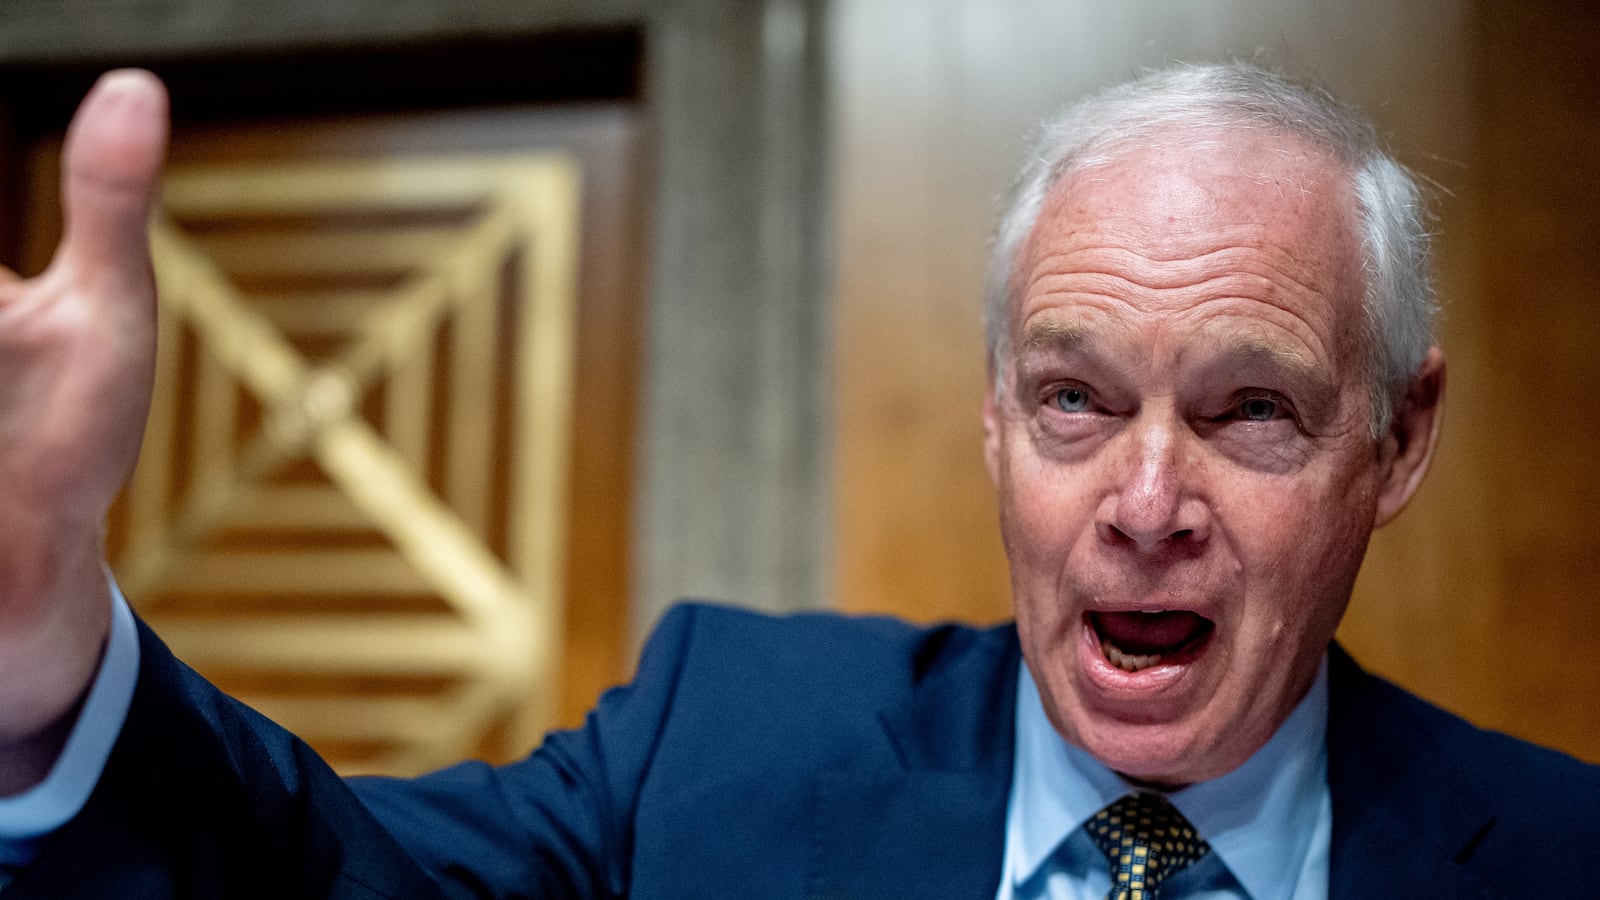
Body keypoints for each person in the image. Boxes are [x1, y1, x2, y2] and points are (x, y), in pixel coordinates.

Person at [0, 62, 1596, 899]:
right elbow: (323, 878)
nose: (1145, 498)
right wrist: (47, 663)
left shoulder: (1557, 855)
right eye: (1073, 400)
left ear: (1396, 439)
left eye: (1251, 409)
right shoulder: (724, 744)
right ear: (991, 417)